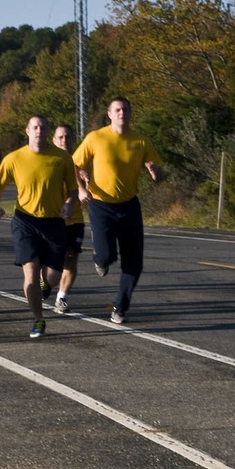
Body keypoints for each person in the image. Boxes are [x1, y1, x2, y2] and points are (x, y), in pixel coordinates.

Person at [73, 97, 162, 324]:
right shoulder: (96, 137)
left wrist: (154, 170)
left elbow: (156, 166)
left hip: (130, 205)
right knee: (107, 255)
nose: (122, 113)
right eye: (118, 110)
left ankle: (120, 307)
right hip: (101, 204)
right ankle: (100, 260)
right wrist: (82, 189)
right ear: (109, 114)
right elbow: (74, 164)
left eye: (126, 110)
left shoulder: (140, 141)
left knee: (134, 262)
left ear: (131, 114)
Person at [0, 116, 76, 338]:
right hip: (25, 221)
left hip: (54, 222)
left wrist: (69, 203)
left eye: (43, 127)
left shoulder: (62, 158)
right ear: (27, 130)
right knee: (31, 270)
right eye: (35, 127)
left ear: (47, 131)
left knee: (53, 277)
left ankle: (44, 286)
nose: (39, 130)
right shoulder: (14, 158)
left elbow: (72, 189)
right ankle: (38, 319)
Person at [50, 124, 85, 314]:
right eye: (60, 137)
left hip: (75, 218)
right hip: (52, 218)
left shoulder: (79, 161)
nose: (64, 141)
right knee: (52, 266)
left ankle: (61, 298)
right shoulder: (49, 161)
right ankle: (43, 283)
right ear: (54, 140)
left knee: (71, 258)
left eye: (68, 137)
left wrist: (86, 181)